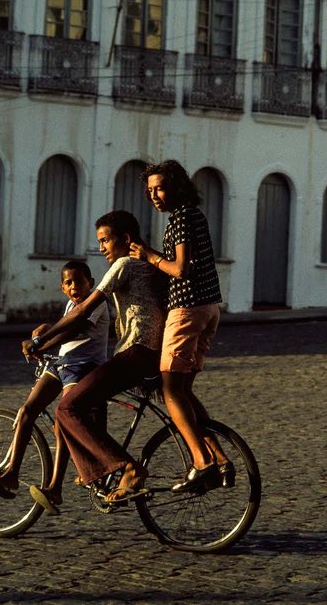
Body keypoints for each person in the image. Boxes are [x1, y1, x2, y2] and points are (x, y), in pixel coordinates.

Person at [21, 210, 166, 513]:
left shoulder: (124, 264)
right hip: (151, 354)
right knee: (81, 404)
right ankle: (90, 473)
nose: (100, 247)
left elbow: (81, 312)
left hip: (134, 353)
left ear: (125, 240)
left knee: (66, 408)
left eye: (104, 240)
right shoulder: (149, 265)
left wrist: (38, 342)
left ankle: (125, 468)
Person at [129, 159, 232, 493]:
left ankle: (201, 462)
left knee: (170, 388)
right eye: (150, 191)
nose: (155, 195)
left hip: (188, 310)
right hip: (208, 308)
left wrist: (148, 255)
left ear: (177, 187)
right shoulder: (191, 217)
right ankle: (219, 459)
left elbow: (181, 269)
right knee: (184, 391)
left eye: (160, 188)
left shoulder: (183, 217)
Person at [0, 260, 109, 500]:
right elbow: (64, 327)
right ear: (62, 287)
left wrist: (39, 344)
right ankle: (11, 473)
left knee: (63, 420)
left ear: (90, 283)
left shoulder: (96, 303)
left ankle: (54, 488)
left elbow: (74, 329)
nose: (74, 287)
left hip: (83, 367)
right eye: (68, 283)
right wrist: (46, 331)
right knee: (27, 410)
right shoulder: (70, 305)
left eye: (79, 281)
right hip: (61, 365)